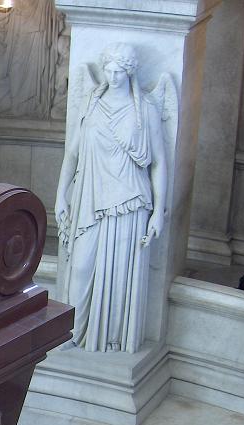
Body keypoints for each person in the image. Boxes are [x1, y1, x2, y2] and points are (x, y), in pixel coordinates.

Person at [55, 43, 169, 352]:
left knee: (118, 274)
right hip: (90, 195)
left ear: (130, 72)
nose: (114, 76)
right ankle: (72, 333)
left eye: (120, 71)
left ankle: (110, 337)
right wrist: (60, 195)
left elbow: (158, 162)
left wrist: (160, 210)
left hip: (129, 201)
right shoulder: (91, 102)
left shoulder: (144, 109)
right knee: (80, 267)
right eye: (109, 69)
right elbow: (73, 154)